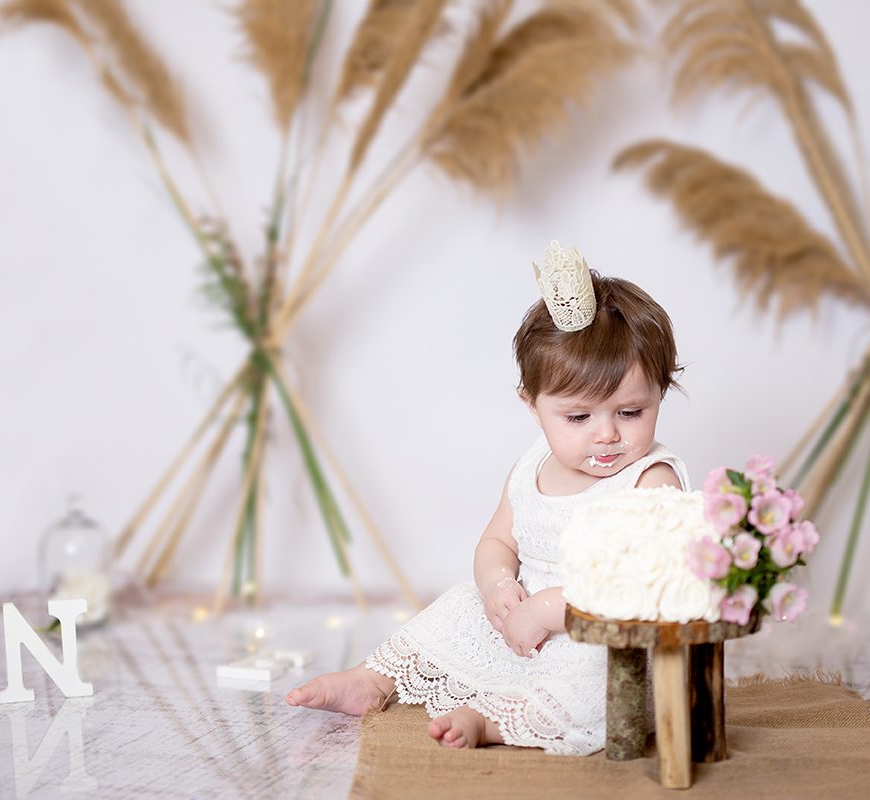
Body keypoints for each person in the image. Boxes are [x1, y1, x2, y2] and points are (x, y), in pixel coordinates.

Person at [286, 242, 690, 755]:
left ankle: (492, 720)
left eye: (630, 412)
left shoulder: (651, 483)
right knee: (459, 605)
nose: (607, 434)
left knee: (599, 687)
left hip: (606, 644)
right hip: (524, 631)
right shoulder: (532, 466)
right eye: (578, 417)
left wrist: (545, 611)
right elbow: (499, 540)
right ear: (533, 405)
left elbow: (635, 593)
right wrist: (498, 585)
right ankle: (374, 679)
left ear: (660, 393)